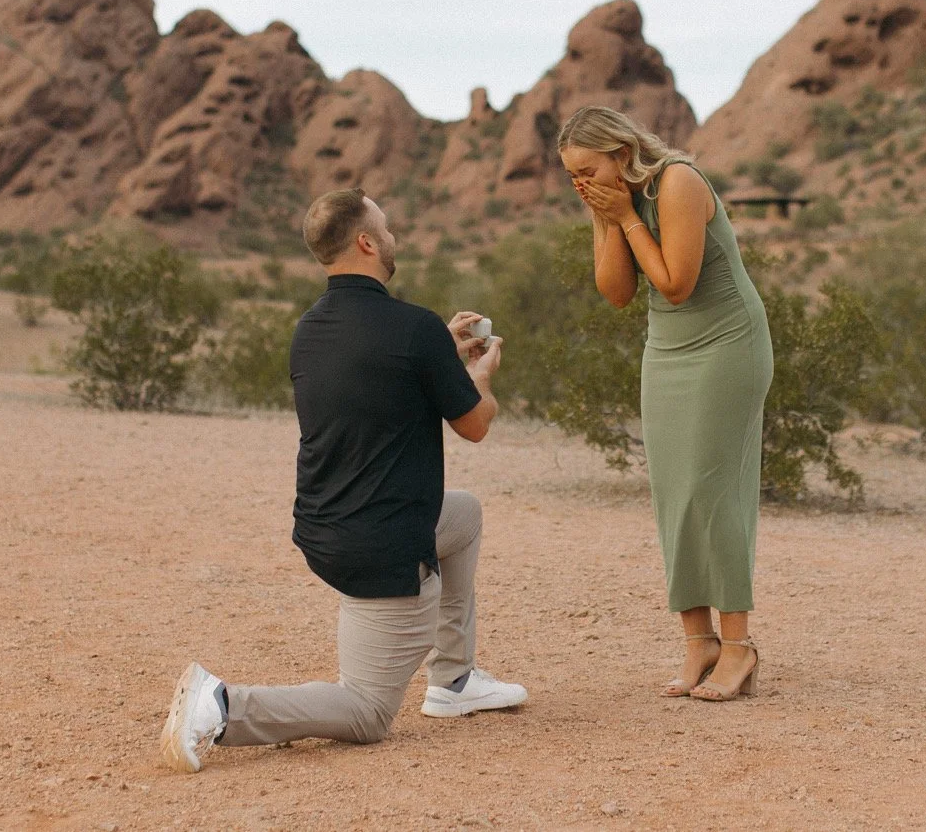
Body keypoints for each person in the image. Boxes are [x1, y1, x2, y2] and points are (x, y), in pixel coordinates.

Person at [160, 188, 528, 771]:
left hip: (324, 530)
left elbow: (378, 382)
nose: (393, 236)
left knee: (464, 514)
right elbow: (475, 425)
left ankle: (454, 681)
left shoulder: (310, 328)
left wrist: (439, 353)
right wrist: (478, 375)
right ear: (365, 241)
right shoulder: (414, 329)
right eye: (385, 226)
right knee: (366, 712)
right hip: (380, 548)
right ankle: (223, 706)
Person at [556, 106, 772, 702]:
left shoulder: (677, 181)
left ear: (621, 154)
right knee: (674, 491)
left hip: (727, 344)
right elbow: (619, 293)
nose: (581, 182)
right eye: (571, 175)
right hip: (668, 350)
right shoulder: (613, 201)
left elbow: (676, 283)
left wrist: (624, 215)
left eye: (588, 169)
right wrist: (604, 220)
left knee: (711, 489)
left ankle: (739, 647)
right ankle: (697, 639)